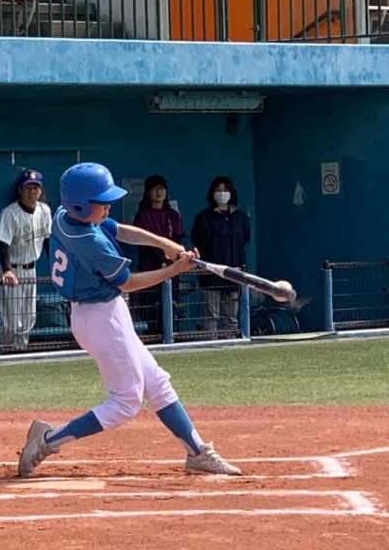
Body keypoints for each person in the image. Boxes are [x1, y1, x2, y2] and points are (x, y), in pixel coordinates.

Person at [18, 162, 241, 479]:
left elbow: (120, 230)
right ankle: (47, 441)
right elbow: (128, 283)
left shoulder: (65, 216)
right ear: (80, 204)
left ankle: (197, 452)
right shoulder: (89, 242)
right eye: (101, 201)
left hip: (104, 312)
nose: (108, 206)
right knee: (125, 403)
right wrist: (174, 270)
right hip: (100, 319)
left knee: (157, 383)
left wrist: (165, 244)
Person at [0, 169, 52, 350]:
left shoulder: (44, 210)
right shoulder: (10, 213)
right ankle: (3, 352)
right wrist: (6, 271)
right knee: (10, 319)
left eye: (35, 188)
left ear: (41, 191)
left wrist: (55, 267)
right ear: (20, 190)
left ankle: (20, 351)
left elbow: (48, 240)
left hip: (31, 270)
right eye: (28, 188)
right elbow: (3, 244)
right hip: (12, 270)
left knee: (29, 317)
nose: (32, 192)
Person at [190, 176, 251, 337]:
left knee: (232, 317)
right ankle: (212, 343)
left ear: (231, 193)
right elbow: (197, 239)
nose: (222, 193)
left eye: (225, 190)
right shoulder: (204, 217)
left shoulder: (240, 217)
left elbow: (246, 238)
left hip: (234, 273)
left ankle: (232, 343)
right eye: (218, 190)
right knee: (211, 316)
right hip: (210, 274)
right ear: (212, 193)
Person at [133, 174, 187, 337]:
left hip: (172, 269)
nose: (159, 192)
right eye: (155, 189)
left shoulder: (173, 215)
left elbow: (177, 240)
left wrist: (175, 262)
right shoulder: (143, 215)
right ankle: (154, 338)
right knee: (151, 309)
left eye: (162, 188)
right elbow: (145, 241)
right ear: (148, 192)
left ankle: (169, 337)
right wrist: (161, 262)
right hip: (150, 269)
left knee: (170, 305)